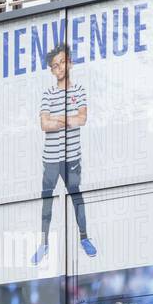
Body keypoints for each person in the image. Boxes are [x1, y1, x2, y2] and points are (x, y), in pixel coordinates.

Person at [33, 42, 95, 265]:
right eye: (54, 66)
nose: (59, 68)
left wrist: (57, 118)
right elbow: (44, 125)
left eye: (62, 63)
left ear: (70, 63)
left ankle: (84, 238)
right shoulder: (48, 93)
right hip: (51, 158)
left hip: (72, 157)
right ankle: (43, 244)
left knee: (76, 197)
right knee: (47, 201)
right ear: (51, 70)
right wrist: (67, 119)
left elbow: (82, 119)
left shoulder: (79, 91)